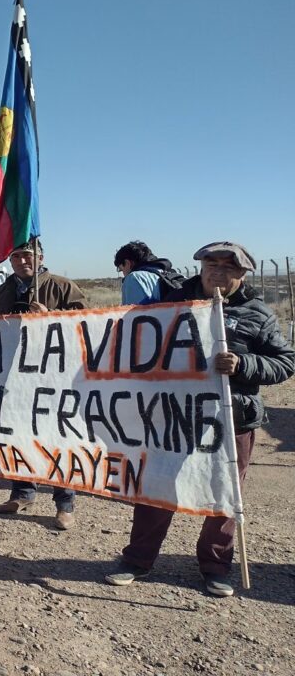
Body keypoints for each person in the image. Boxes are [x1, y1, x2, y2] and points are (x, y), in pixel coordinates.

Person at [105, 241, 295, 597]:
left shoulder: (258, 313)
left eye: (228, 266)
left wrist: (244, 365)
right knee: (157, 486)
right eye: (211, 264)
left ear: (242, 273)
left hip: (232, 419)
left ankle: (215, 567)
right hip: (172, 416)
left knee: (224, 493)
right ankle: (137, 560)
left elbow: (285, 362)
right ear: (201, 266)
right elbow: (129, 332)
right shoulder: (172, 301)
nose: (218, 272)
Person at [0, 240, 87, 529]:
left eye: (26, 255)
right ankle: (22, 493)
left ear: (40, 256)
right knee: (17, 436)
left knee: (58, 440)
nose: (21, 260)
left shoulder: (62, 287)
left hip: (55, 380)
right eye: (15, 256)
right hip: (14, 379)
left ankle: (64, 503)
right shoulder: (1, 293)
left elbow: (88, 327)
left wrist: (52, 318)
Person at [113, 240, 183, 305]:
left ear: (127, 263)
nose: (124, 275)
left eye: (121, 270)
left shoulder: (134, 278)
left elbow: (136, 316)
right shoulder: (175, 275)